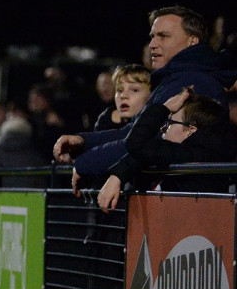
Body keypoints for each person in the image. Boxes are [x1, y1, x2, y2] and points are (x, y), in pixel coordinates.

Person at [54, 6, 237, 177]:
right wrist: (83, 141)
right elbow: (132, 131)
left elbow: (147, 143)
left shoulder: (193, 81)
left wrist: (84, 164)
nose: (152, 44)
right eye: (152, 36)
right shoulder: (174, 78)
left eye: (163, 36)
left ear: (192, 41)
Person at [96, 87, 237, 212]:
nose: (163, 128)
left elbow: (137, 144)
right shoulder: (202, 151)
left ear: (190, 130)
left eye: (170, 123)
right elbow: (145, 152)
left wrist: (164, 108)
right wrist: (118, 175)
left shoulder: (192, 155)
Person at [92, 64, 150, 131]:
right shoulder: (105, 119)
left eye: (134, 90)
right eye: (119, 90)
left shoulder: (159, 125)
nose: (123, 96)